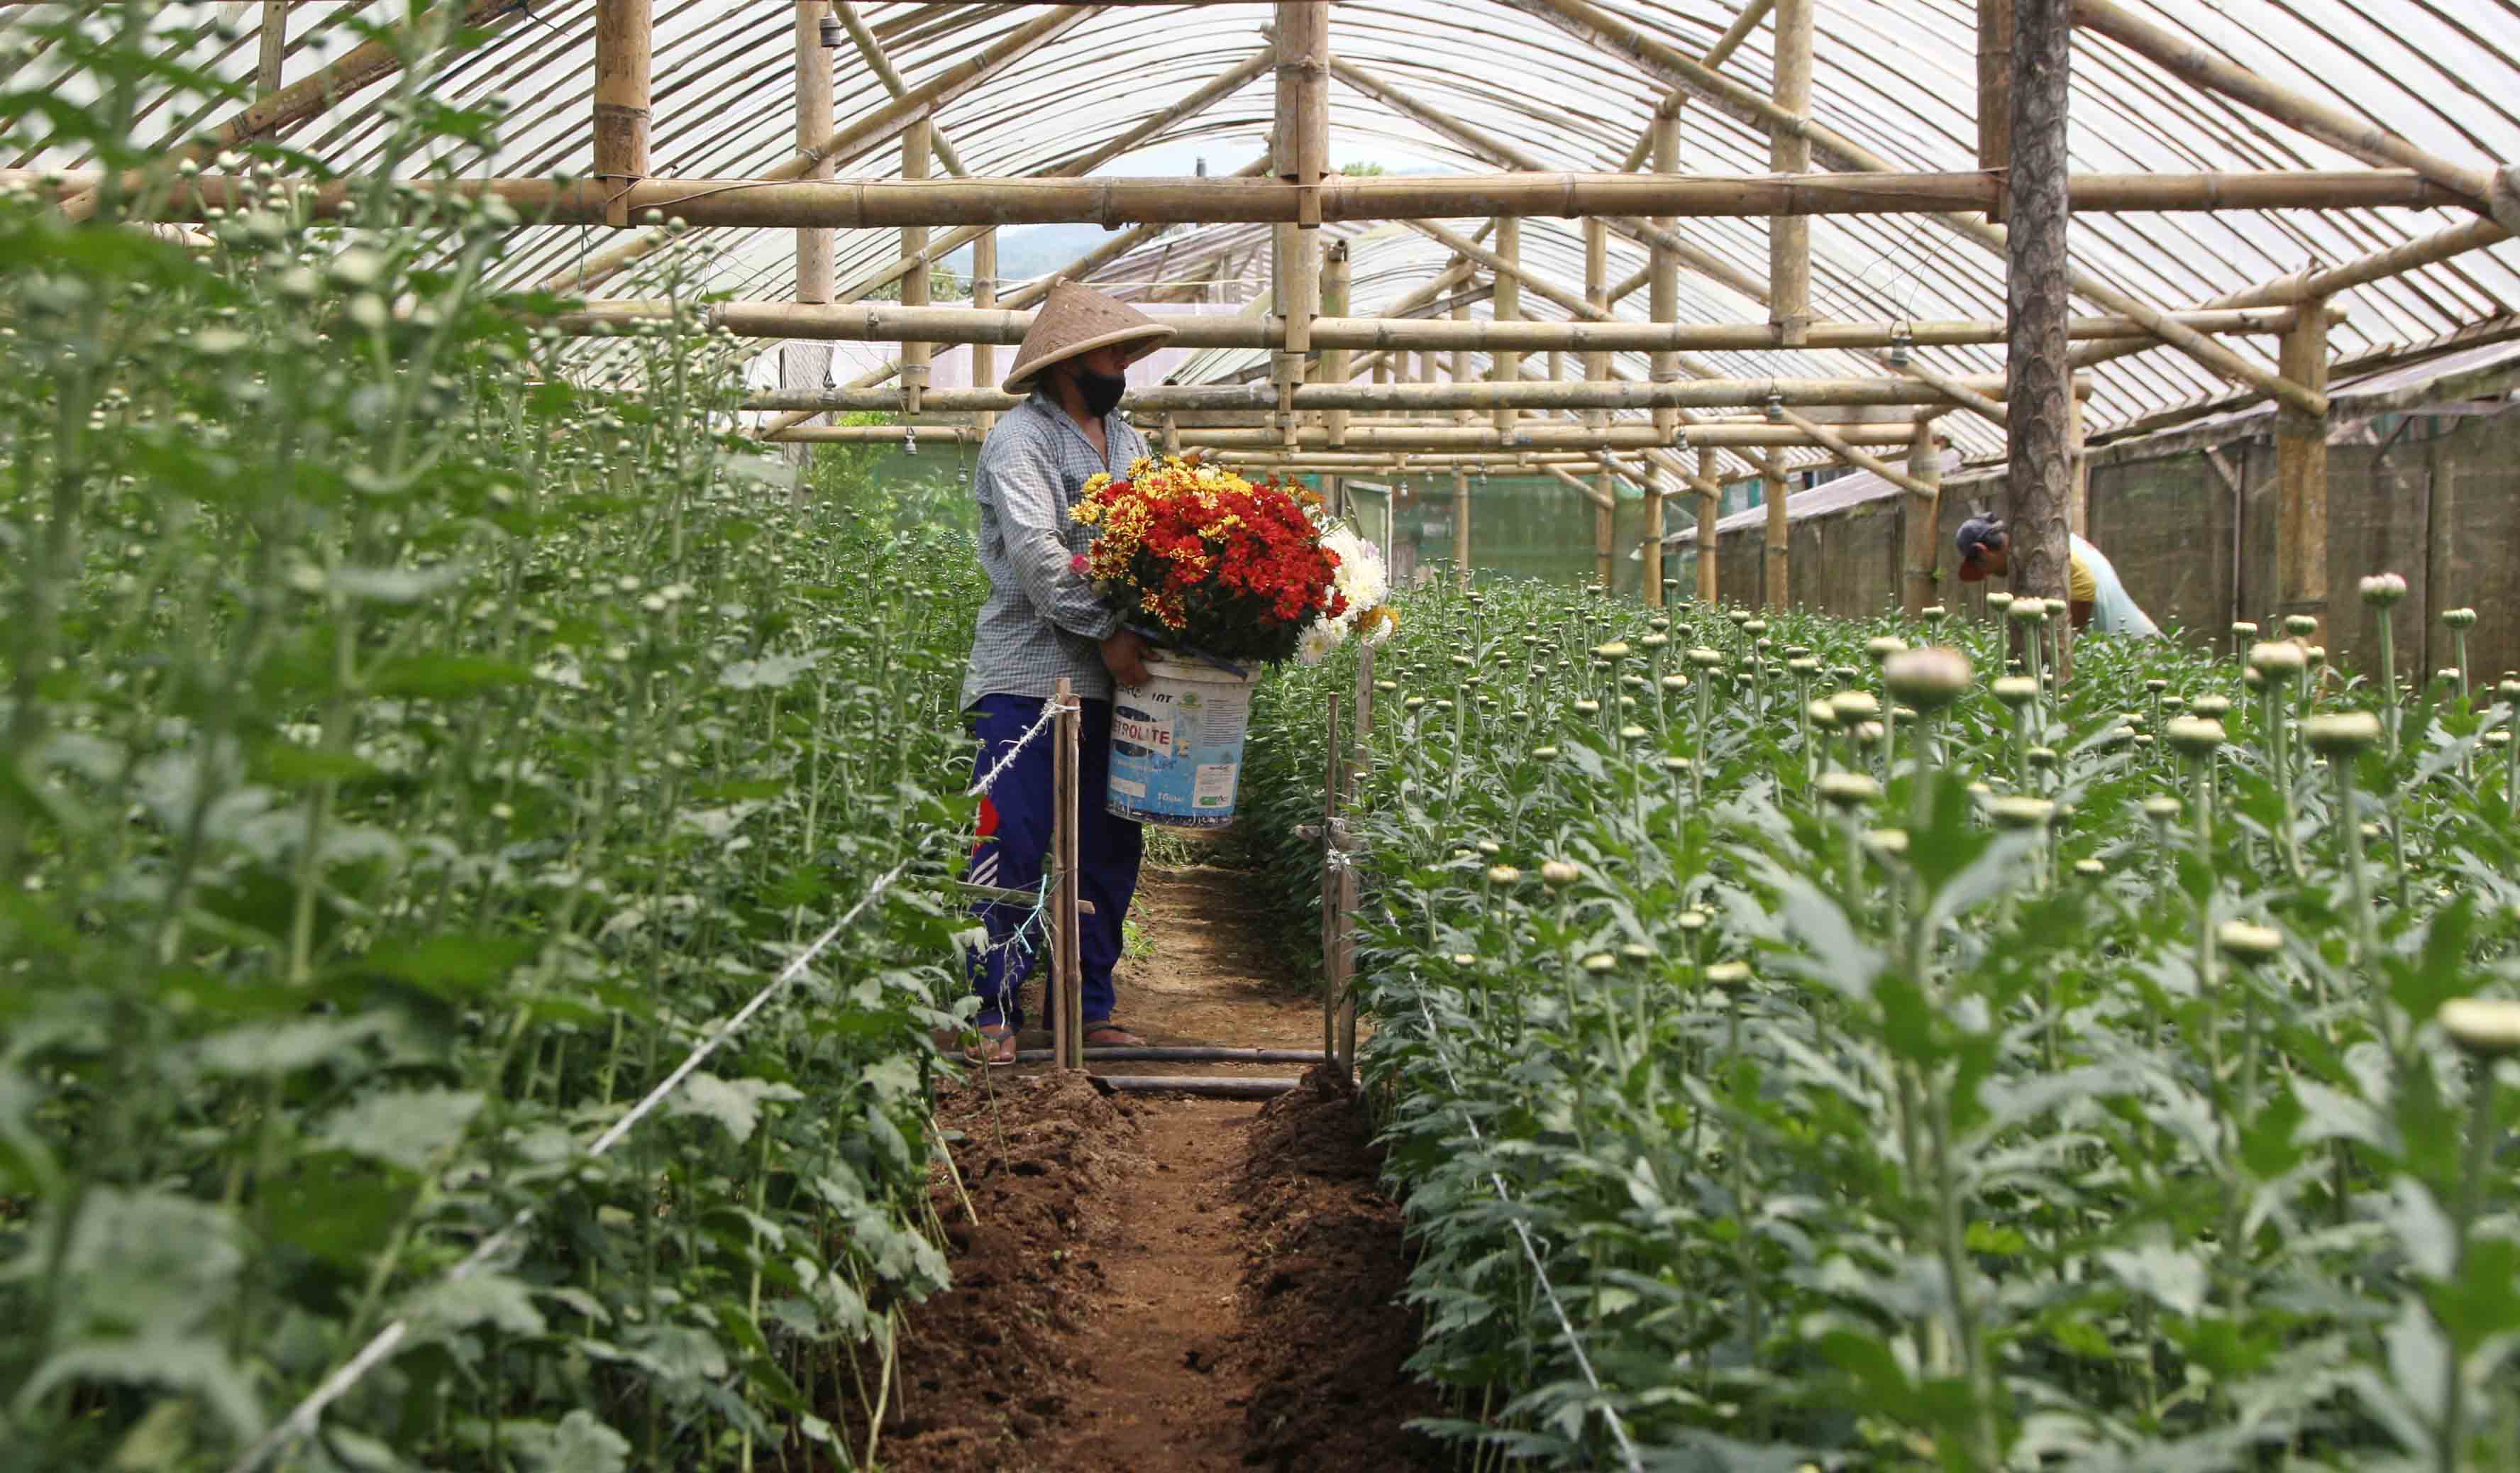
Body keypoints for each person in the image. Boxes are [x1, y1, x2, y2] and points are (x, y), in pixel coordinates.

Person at [957, 281, 1176, 1065]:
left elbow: (1158, 543)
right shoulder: (1020, 441)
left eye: (1125, 355)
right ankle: (992, 1003)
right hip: (1026, 678)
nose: (1124, 367)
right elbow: (1040, 557)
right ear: (1067, 365)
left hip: (1118, 685)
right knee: (1011, 842)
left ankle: (1088, 1000)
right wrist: (1107, 630)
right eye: (1113, 354)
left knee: (1109, 849)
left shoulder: (1131, 445)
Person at [1954, 517, 2161, 637]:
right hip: (2133, 641)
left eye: (1982, 567)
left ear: (1982, 551)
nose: (1987, 575)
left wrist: (2070, 641)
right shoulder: (2042, 540)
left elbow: (2085, 583)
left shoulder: (2038, 549)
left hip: (2138, 649)